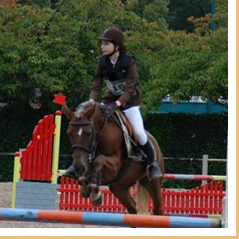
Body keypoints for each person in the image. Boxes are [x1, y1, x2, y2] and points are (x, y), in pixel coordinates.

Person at [89, 27, 162, 180]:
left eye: (106, 44)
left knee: (140, 133)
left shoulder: (129, 62)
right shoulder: (102, 62)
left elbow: (130, 87)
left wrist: (119, 103)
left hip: (130, 102)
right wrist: (91, 101)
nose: (102, 47)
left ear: (117, 46)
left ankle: (153, 164)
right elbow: (97, 84)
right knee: (92, 124)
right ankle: (87, 158)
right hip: (109, 101)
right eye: (102, 44)